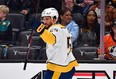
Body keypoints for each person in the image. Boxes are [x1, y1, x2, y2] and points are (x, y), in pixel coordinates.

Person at [36, 7, 79, 79]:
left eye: (47, 19)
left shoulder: (54, 28)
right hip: (65, 66)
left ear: (54, 19)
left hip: (59, 68)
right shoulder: (61, 28)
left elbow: (51, 39)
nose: (44, 21)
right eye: (43, 19)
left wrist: (40, 30)